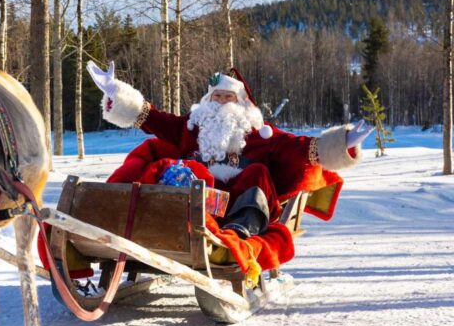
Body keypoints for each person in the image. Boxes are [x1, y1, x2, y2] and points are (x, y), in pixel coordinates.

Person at [87, 61, 372, 239]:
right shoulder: (190, 126)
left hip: (238, 205)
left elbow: (299, 148)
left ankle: (241, 229)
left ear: (241, 102)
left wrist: (342, 142)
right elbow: (152, 118)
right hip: (195, 200)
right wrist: (115, 92)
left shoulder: (259, 132)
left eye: (228, 97)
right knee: (181, 170)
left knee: (258, 171)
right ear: (208, 100)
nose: (221, 101)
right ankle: (134, 219)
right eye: (217, 96)